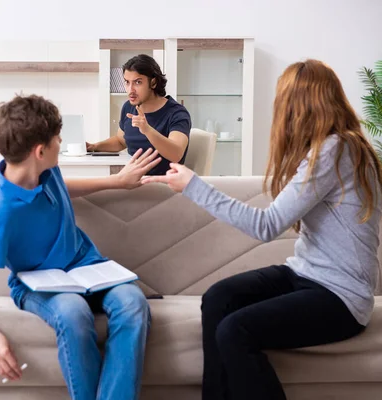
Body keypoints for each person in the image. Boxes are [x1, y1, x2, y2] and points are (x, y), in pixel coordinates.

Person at [142, 59, 382, 400]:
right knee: (218, 298)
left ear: (299, 104)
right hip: (306, 275)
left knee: (234, 331)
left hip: (340, 296)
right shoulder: (333, 147)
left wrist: (194, 185)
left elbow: (266, 226)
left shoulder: (337, 149)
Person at [0, 94, 160, 400]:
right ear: (40, 150)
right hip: (40, 284)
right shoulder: (1, 210)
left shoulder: (44, 171)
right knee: (73, 312)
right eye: (58, 138)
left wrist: (117, 182)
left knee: (132, 302)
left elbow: (63, 185)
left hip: (85, 267)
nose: (61, 141)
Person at [86, 54, 192, 175]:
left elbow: (176, 154)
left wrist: (147, 130)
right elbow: (121, 141)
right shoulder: (129, 107)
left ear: (153, 82)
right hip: (134, 180)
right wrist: (94, 147)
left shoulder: (176, 113)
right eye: (127, 82)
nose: (130, 90)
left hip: (164, 185)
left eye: (137, 82)